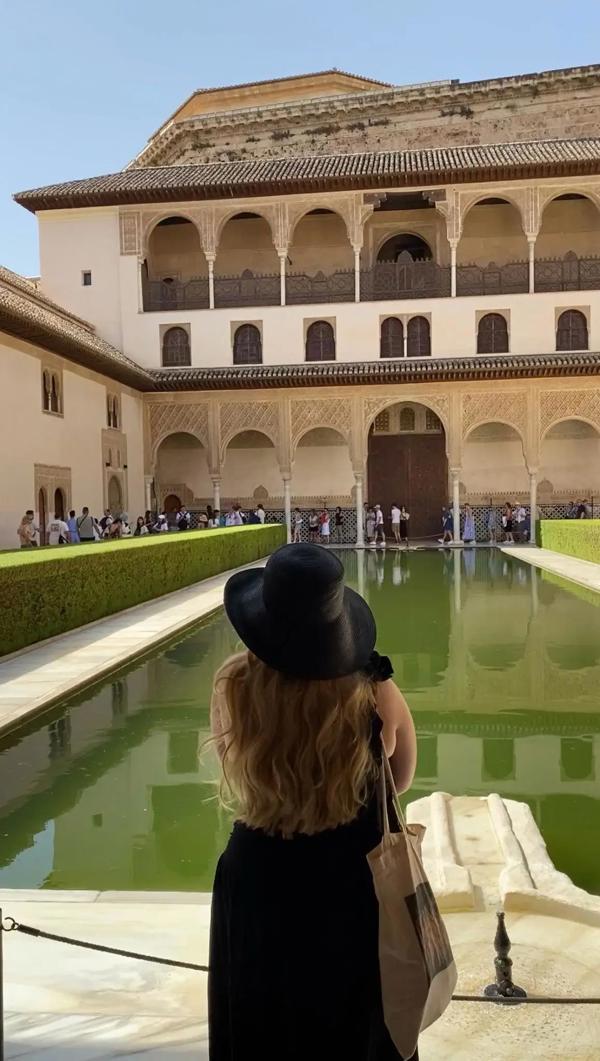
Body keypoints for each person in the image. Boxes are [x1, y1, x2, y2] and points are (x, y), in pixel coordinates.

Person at [208, 544, 417, 1061]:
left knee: (261, 1028)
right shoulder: (373, 689)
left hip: (259, 874)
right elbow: (401, 779)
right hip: (355, 874)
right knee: (361, 1031)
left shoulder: (233, 682)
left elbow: (234, 768)